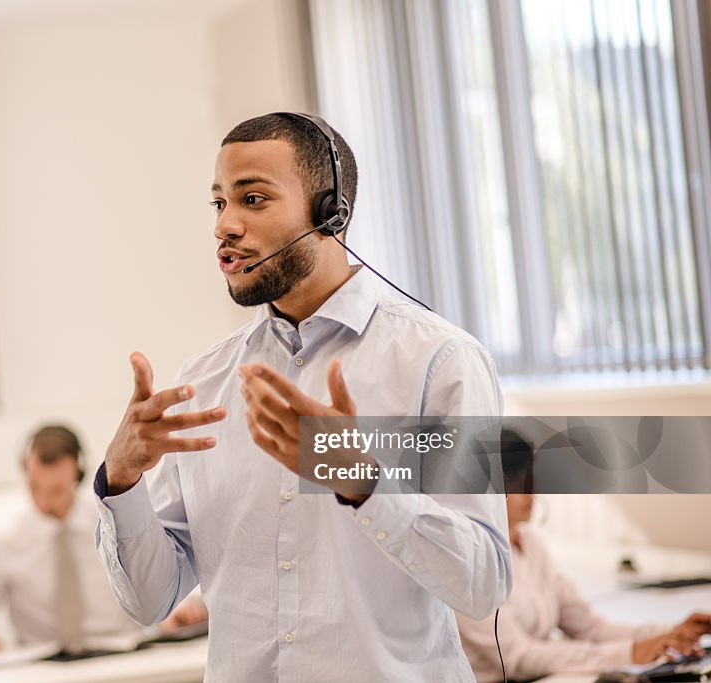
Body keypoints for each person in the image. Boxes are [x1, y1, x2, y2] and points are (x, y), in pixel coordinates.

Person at [94, 112, 512, 681]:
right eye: (219, 204)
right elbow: (148, 600)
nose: (226, 226)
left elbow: (484, 582)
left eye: (254, 199)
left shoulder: (437, 361)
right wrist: (121, 480)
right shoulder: (205, 382)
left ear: (329, 213)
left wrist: (367, 486)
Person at [457, 428, 711, 682]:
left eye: (529, 478)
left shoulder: (529, 542)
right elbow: (518, 658)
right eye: (515, 483)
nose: (531, 491)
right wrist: (630, 652)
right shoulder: (468, 561)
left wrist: (672, 634)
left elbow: (590, 627)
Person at [0, 425, 207, 652]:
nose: (44, 502)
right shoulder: (0, 542)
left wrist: (175, 612)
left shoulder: (115, 525)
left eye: (56, 490)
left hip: (124, 655)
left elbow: (151, 578)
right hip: (44, 667)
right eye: (35, 487)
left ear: (77, 477)